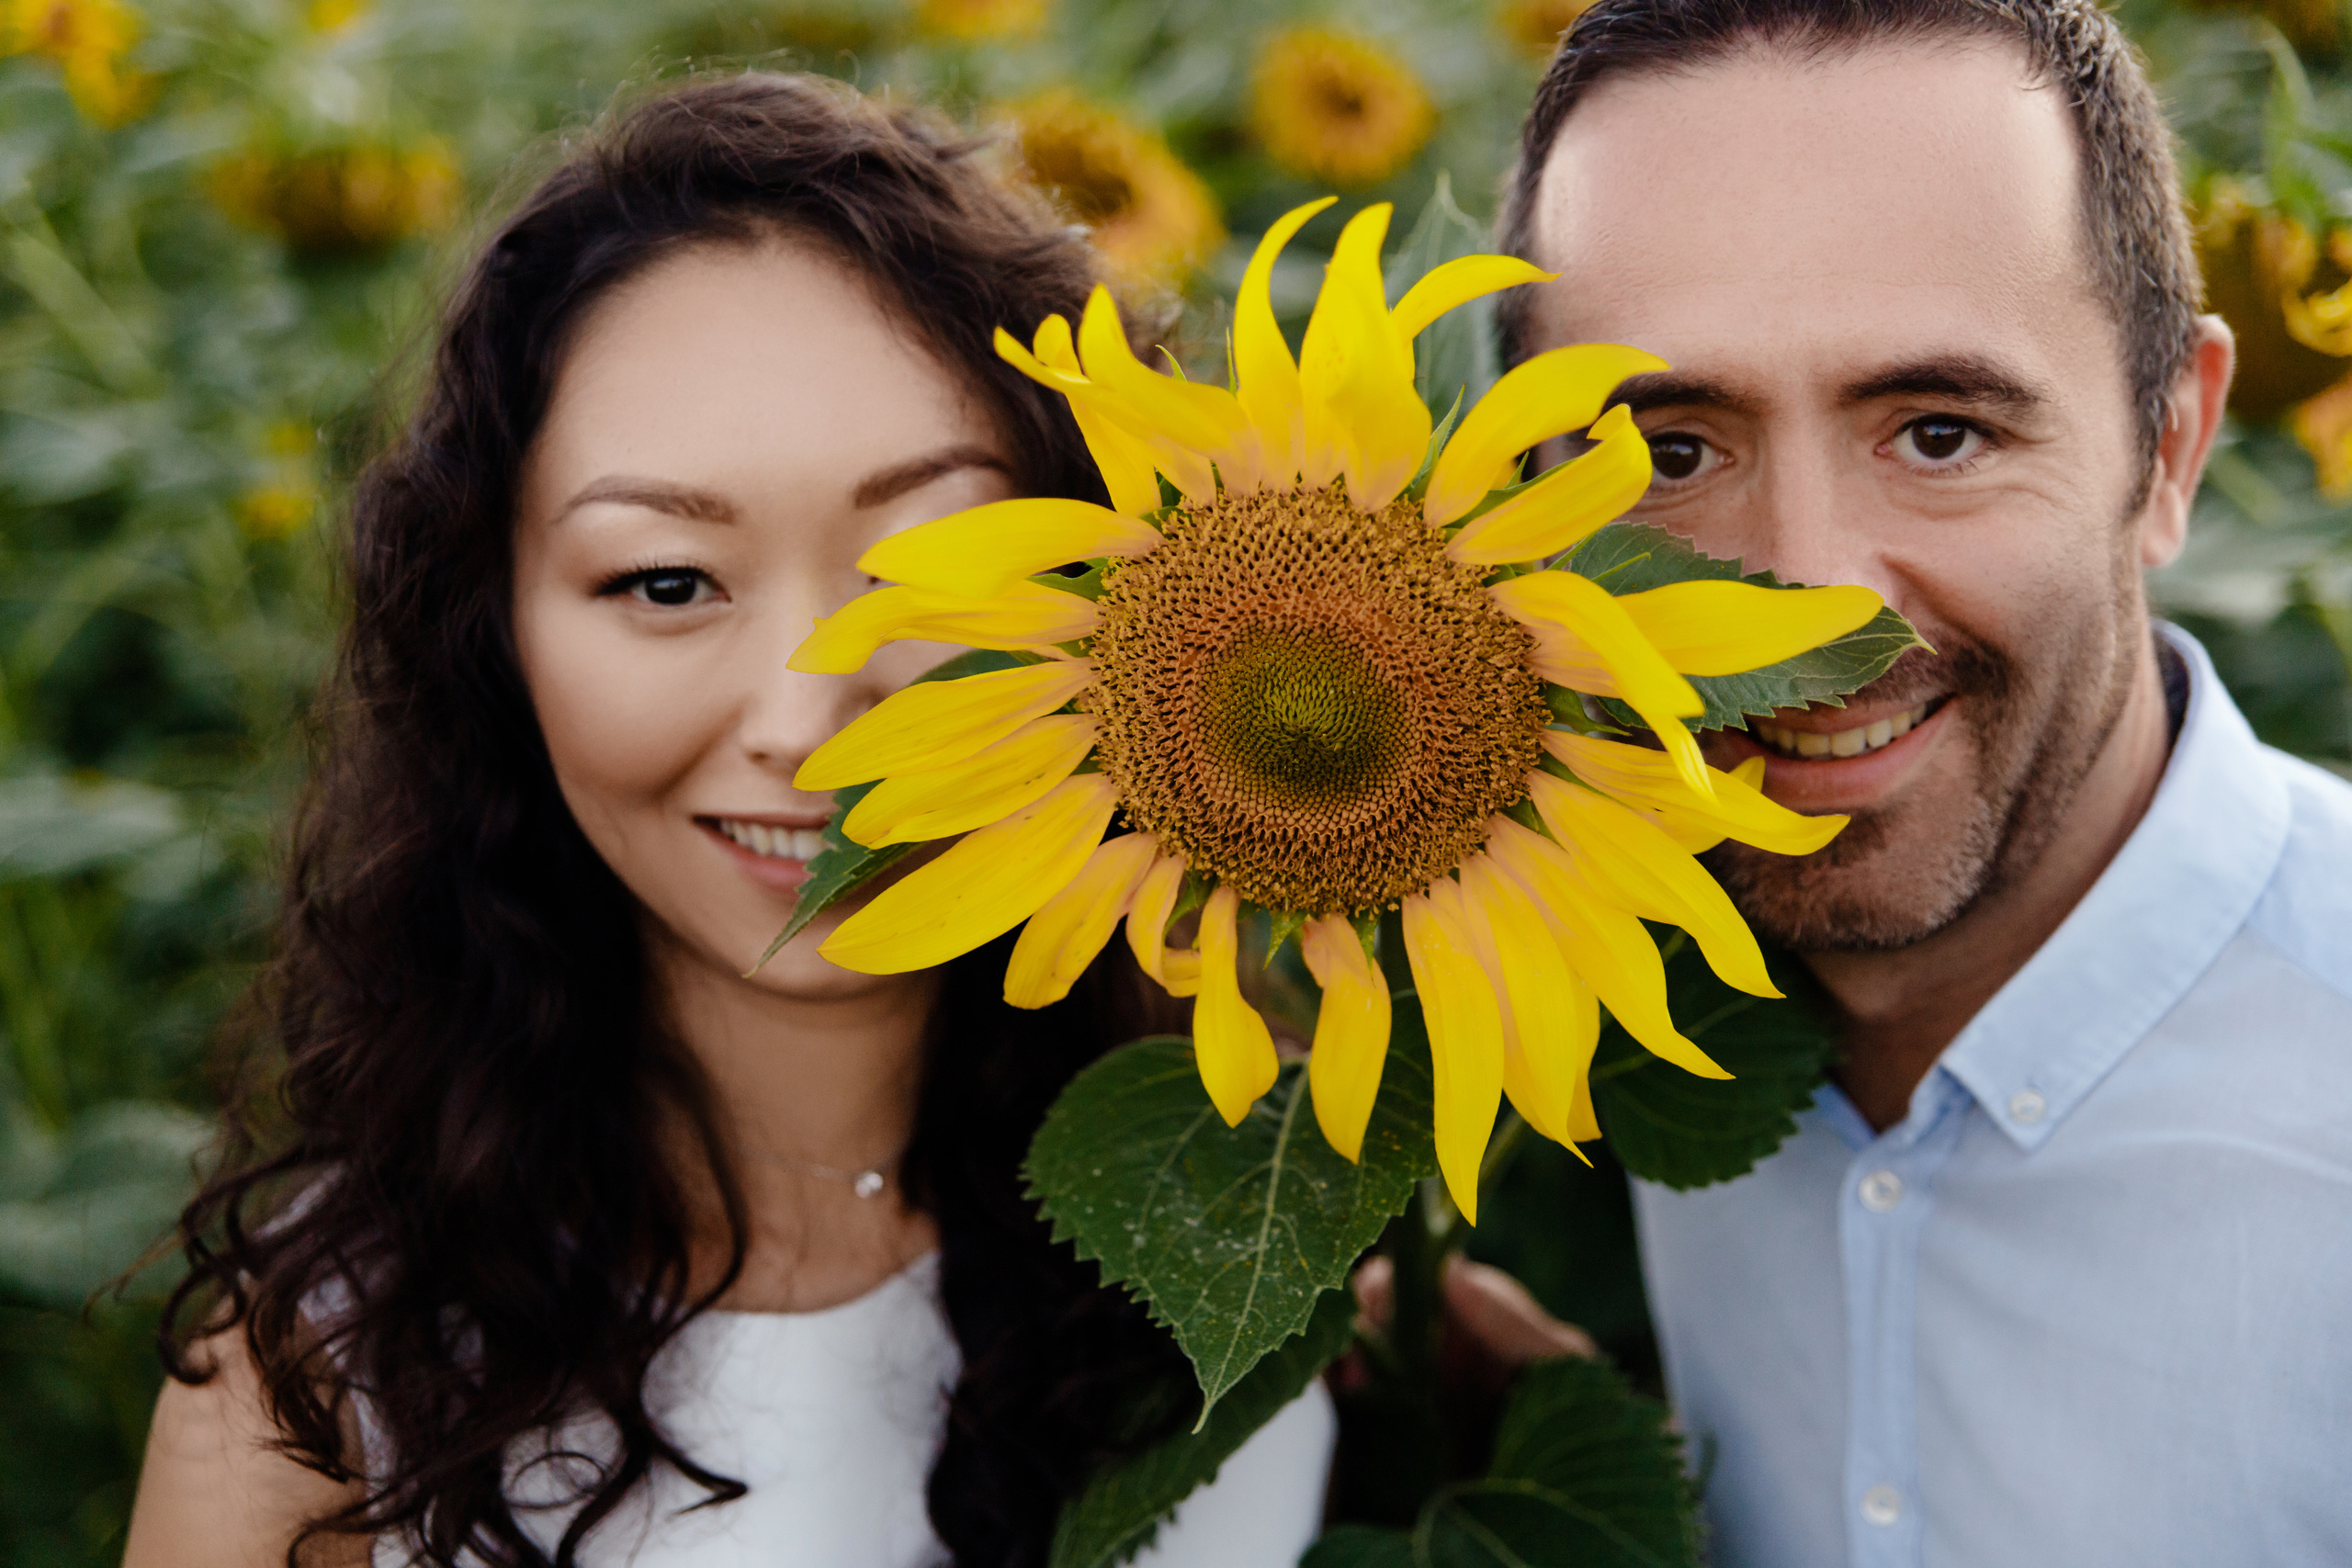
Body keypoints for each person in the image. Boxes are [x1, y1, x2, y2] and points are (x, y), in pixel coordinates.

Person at [119, 73, 1340, 1568]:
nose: (803, 717)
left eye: (927, 576)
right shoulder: (326, 1395)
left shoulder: (1272, 1200)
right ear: (495, 633)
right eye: (666, 582)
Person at [1497, 2, 2352, 1564]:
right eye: (1673, 455)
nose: (1810, 597)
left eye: (1939, 432)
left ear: (2168, 448)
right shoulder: (1602, 988)